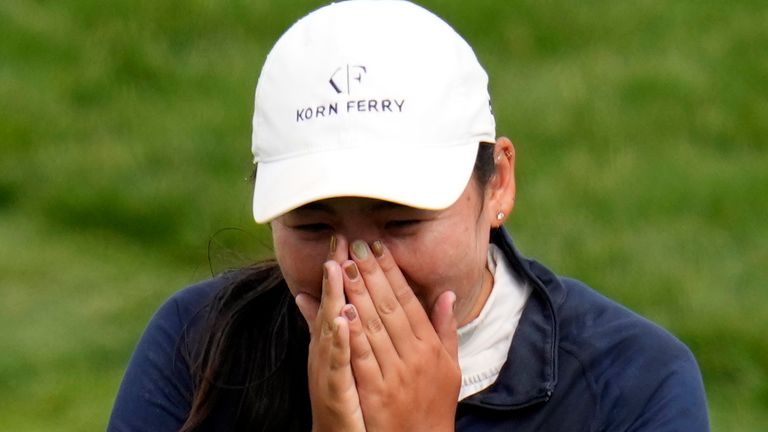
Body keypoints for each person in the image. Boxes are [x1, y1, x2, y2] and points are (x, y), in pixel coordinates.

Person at [108, 1, 710, 431]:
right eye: (312, 226)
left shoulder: (631, 388)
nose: (352, 270)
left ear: (497, 182)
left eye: (401, 223)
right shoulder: (198, 347)